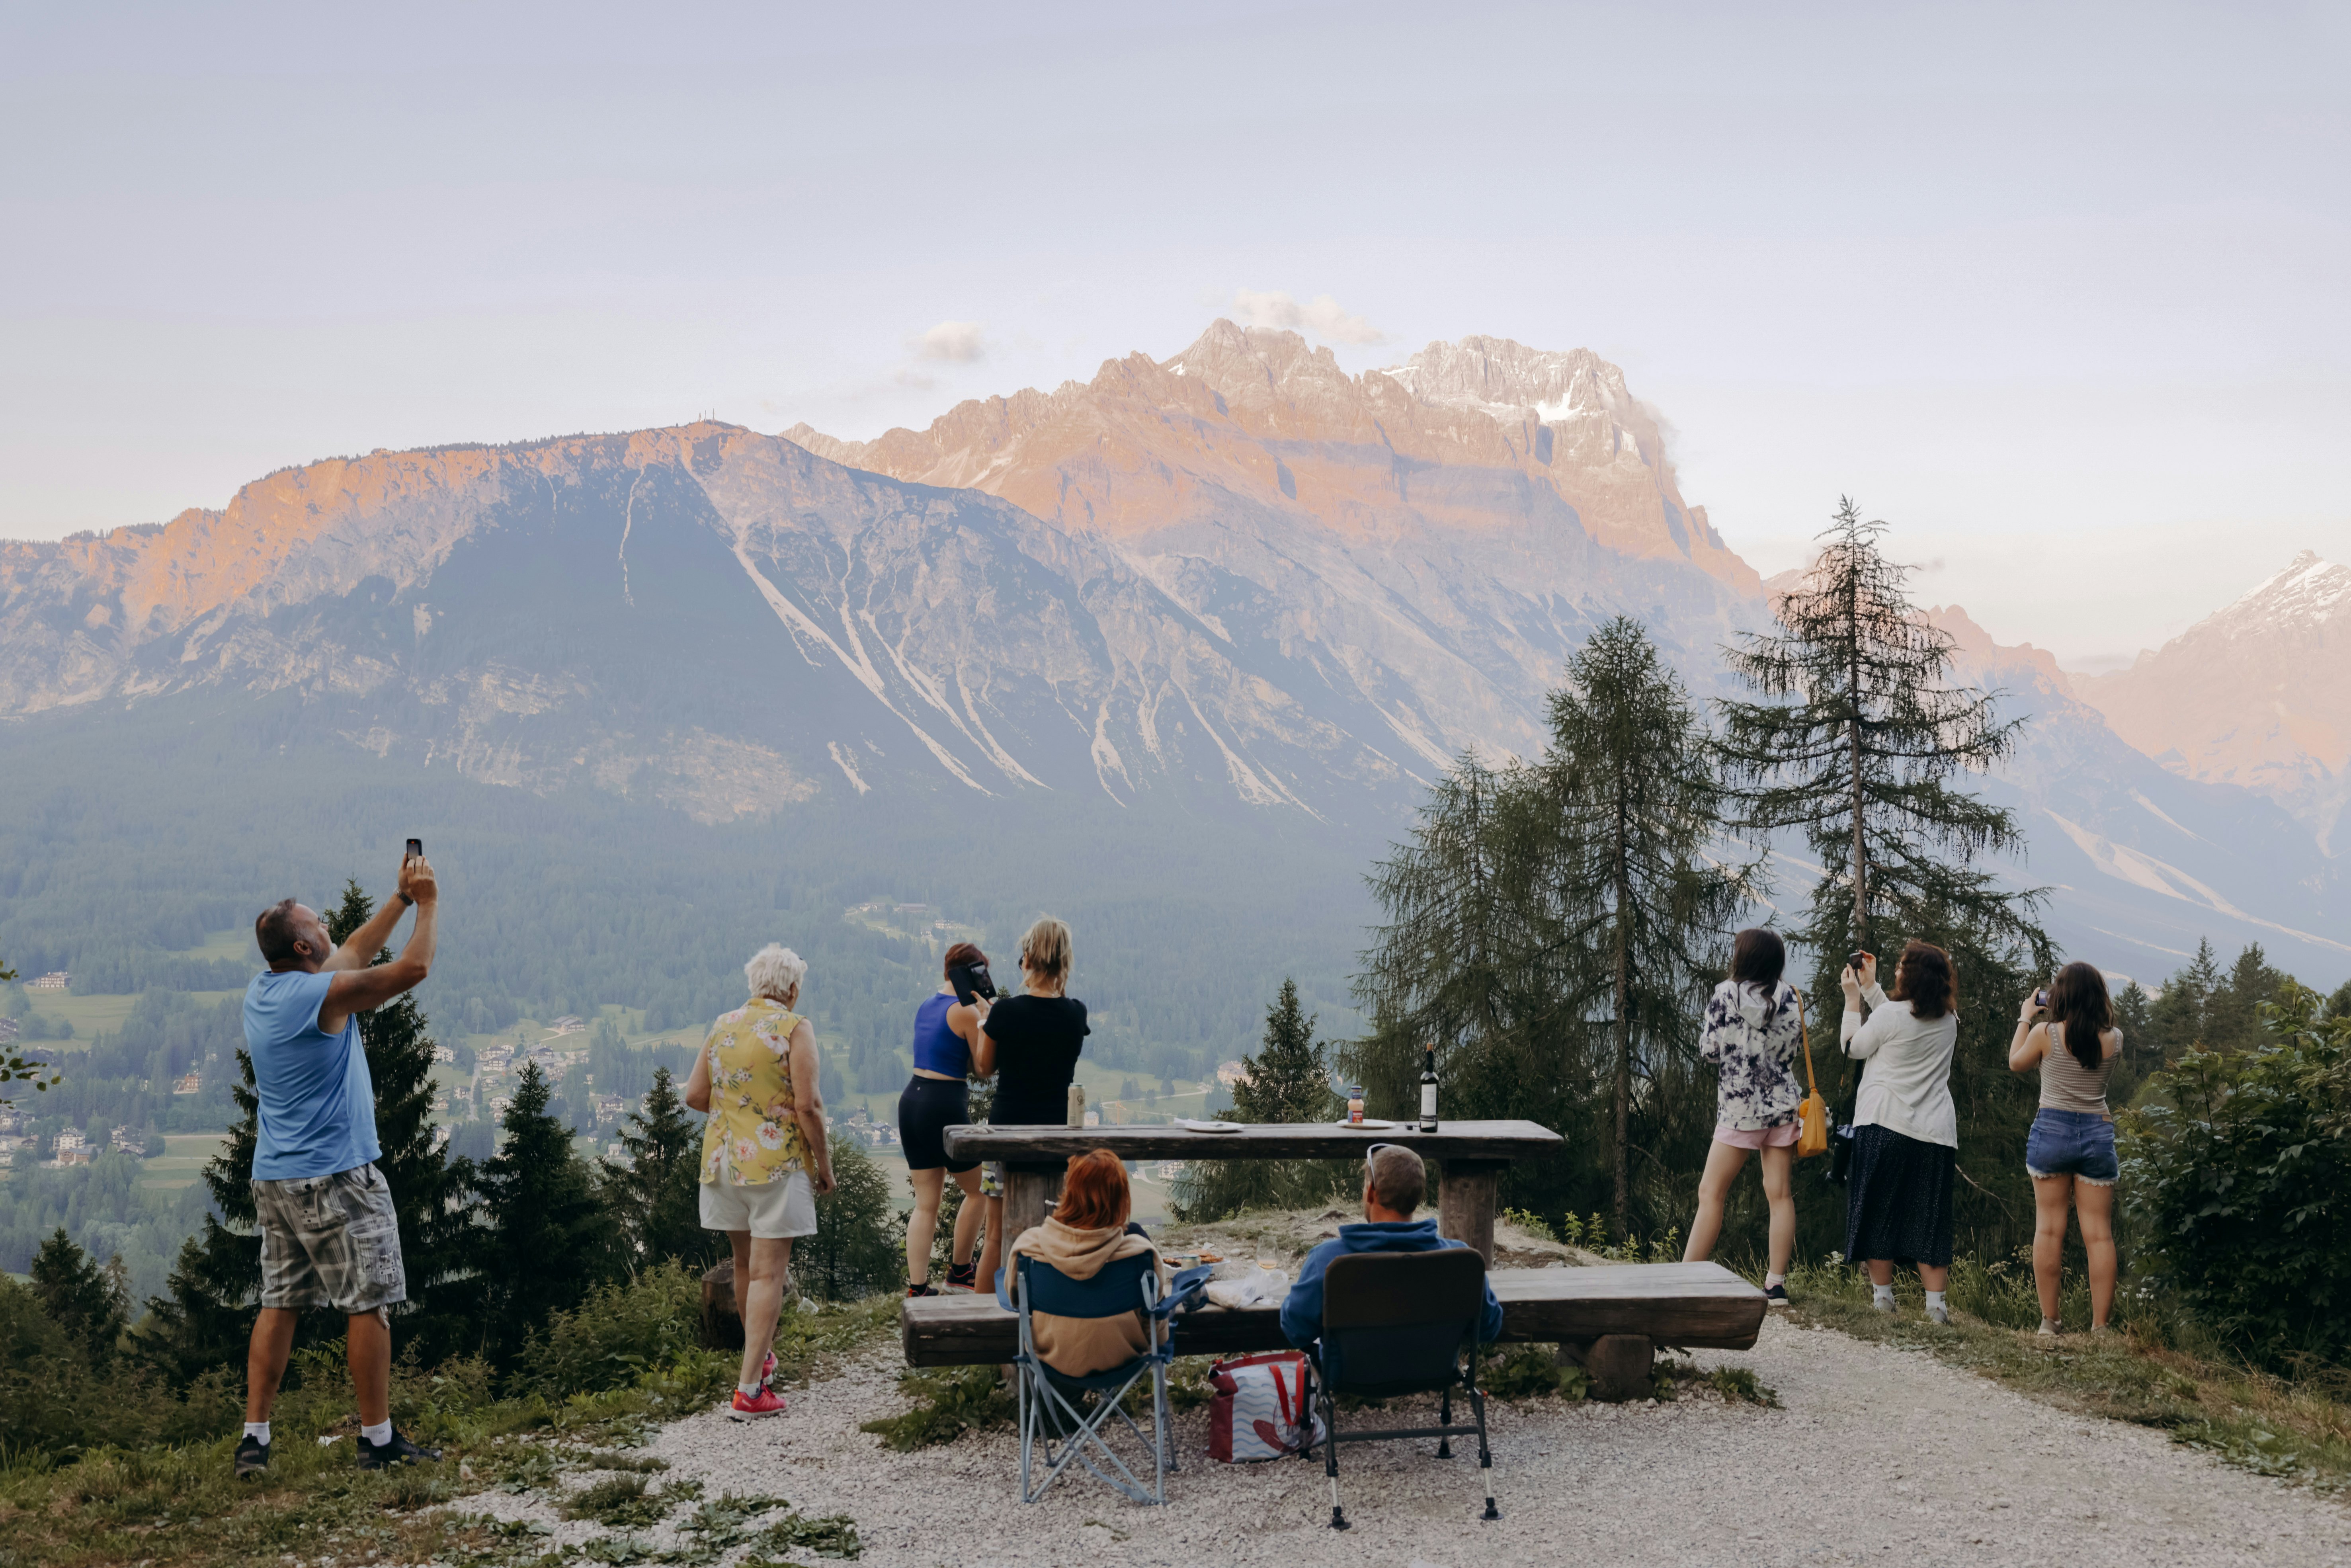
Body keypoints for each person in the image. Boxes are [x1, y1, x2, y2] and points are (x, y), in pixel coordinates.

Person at [234, 853, 444, 1478]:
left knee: (280, 1301)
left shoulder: (267, 989)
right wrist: (430, 904)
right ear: (302, 942)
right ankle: (377, 1440)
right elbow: (414, 967)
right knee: (368, 1302)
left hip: (275, 1176)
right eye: (318, 922)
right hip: (337, 1176)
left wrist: (399, 900)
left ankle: (255, 1438)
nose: (329, 926)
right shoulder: (322, 996)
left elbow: (352, 950)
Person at [684, 943, 836, 1419]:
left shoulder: (722, 1025)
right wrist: (825, 1168)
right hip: (775, 1165)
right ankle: (749, 1391)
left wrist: (740, 1116)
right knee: (771, 1273)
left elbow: (694, 1095)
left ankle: (760, 1358)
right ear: (791, 989)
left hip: (725, 1162)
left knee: (746, 1266)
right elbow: (808, 1105)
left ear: (754, 984)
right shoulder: (794, 1027)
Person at [1281, 1144, 1503, 1379]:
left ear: (1370, 1192)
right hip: (1433, 1371)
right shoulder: (1462, 1259)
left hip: (1348, 1375)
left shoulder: (1327, 1259)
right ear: (1419, 1197)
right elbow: (1489, 1328)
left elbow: (1296, 1330)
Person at [1840, 942, 1960, 1324]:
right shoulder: (1950, 1022)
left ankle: (1883, 1299)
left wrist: (1852, 999)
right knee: (1929, 1220)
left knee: (1879, 1213)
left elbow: (1853, 1047)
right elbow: (1901, 1022)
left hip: (1884, 1124)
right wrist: (1872, 989)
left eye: (1900, 967)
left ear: (1912, 977)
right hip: (1935, 1133)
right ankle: (1936, 1307)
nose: (1895, 971)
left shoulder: (1892, 1015)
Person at [1685, 928, 1804, 1306]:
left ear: (1744, 958)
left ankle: (1684, 1277)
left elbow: (1709, 1051)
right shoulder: (1791, 997)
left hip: (1739, 1110)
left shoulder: (1725, 995)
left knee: (1711, 1193)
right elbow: (1795, 1048)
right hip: (1783, 1107)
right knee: (1780, 1195)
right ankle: (1775, 1285)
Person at [2009, 961, 2124, 1336]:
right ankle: (2101, 1327)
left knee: (2049, 1230)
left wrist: (2025, 1018)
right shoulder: (2115, 1039)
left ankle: (2050, 1321)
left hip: (2052, 1130)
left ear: (2061, 996)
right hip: (2097, 1132)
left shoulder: (2045, 1033)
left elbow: (2016, 1063)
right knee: (2099, 1235)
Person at [973, 917, 1086, 1291]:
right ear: (1063, 961)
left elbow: (985, 1069)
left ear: (1027, 959)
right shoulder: (1075, 1015)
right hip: (1058, 1138)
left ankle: (983, 1321)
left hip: (1006, 1135)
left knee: (994, 1235)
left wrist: (985, 1025)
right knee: (1055, 1231)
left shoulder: (1005, 1012)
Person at [1005, 1149, 1167, 1377]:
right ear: (1122, 1198)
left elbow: (1014, 1299)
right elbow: (1155, 1313)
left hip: (1050, 1359)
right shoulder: (1140, 1253)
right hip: (1125, 1358)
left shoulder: (1028, 1249)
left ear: (1069, 1192)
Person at [900, 943, 993, 1296]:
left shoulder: (928, 1005)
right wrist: (986, 1020)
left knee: (926, 1204)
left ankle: (918, 1287)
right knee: (980, 1190)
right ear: (972, 974)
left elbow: (947, 1053)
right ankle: (959, 1270)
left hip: (912, 1101)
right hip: (943, 1105)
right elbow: (983, 1069)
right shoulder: (965, 1012)